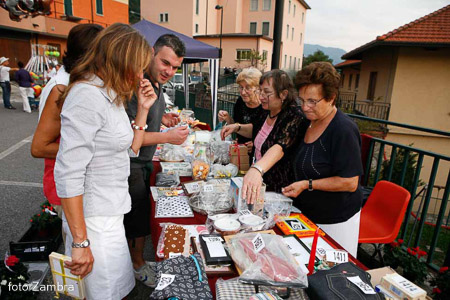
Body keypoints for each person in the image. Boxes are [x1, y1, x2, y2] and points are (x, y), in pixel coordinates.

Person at [54, 23, 156, 299]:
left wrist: (144, 110)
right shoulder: (87, 95)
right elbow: (67, 174)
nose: (139, 75)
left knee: (116, 290)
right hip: (92, 223)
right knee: (104, 293)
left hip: (110, 216)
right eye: (137, 67)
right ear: (118, 60)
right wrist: (80, 242)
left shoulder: (109, 93)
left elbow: (128, 150)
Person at [124, 33, 189, 288]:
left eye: (175, 67)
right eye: (165, 63)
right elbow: (131, 135)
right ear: (152, 52)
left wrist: (164, 118)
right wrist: (167, 136)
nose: (169, 71)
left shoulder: (156, 82)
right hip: (132, 164)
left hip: (143, 162)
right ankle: (137, 265)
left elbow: (148, 113)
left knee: (141, 215)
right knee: (136, 219)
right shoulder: (137, 83)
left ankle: (137, 260)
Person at [282, 62, 363, 257]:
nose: (305, 107)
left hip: (335, 220)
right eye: (302, 100)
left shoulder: (343, 130)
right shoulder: (307, 123)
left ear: (331, 98)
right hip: (306, 214)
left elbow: (350, 182)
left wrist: (307, 184)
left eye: (312, 101)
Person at [31, 24, 103, 218]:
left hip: (84, 185)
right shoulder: (61, 88)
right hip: (67, 186)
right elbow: (39, 148)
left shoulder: (79, 83)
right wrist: (97, 148)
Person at [221, 69, 309, 204]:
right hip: (261, 184)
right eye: (260, 91)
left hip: (280, 192)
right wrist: (237, 127)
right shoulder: (266, 110)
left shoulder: (294, 116)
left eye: (266, 92)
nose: (261, 96)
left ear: (283, 94)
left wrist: (257, 169)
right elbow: (256, 130)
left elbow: (280, 147)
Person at [217, 67, 264, 153]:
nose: (243, 92)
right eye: (241, 87)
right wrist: (227, 118)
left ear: (258, 88)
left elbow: (265, 133)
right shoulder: (240, 102)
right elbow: (236, 126)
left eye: (248, 88)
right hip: (240, 153)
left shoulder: (265, 106)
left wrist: (257, 144)